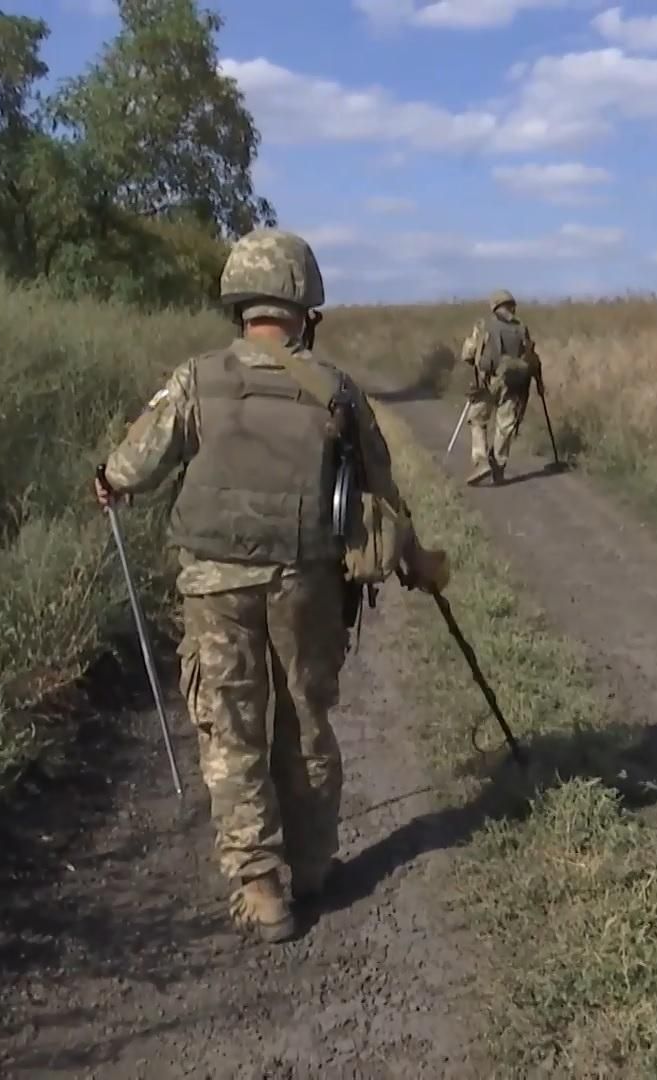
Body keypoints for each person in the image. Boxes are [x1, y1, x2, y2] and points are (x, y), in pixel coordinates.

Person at [91, 228, 451, 944]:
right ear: (305, 307)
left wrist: (107, 481)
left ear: (239, 304)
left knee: (231, 728)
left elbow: (131, 469)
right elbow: (383, 496)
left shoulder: (194, 379)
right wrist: (417, 563)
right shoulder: (338, 391)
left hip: (214, 587)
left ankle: (260, 889)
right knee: (306, 722)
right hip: (306, 584)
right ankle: (312, 866)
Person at [458, 288, 541, 485]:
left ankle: (481, 461)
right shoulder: (522, 329)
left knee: (477, 418)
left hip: (488, 381)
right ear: (512, 305)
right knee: (505, 426)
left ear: (494, 306)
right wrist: (538, 382)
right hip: (514, 384)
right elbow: (531, 357)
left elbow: (468, 354)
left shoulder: (483, 325)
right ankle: (498, 468)